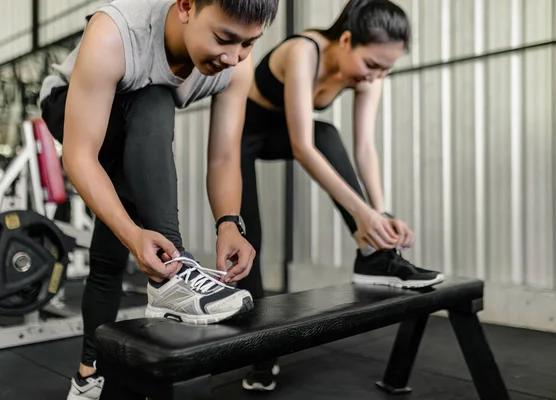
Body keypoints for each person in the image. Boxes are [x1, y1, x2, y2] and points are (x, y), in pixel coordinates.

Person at [38, 0, 279, 399]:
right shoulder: (115, 31)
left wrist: (229, 224)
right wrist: (135, 234)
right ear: (186, 6)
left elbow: (223, 156)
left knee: (108, 255)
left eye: (249, 44)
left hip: (135, 122)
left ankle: (87, 375)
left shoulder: (237, 65)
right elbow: (79, 157)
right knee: (154, 98)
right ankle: (174, 273)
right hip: (70, 105)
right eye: (224, 38)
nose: (233, 56)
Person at [236, 0, 444, 391]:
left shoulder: (370, 75)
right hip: (241, 137)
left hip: (284, 133)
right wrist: (363, 212)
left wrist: (378, 215)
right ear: (346, 40)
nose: (375, 77)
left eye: (386, 69)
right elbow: (302, 147)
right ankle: (258, 355)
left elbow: (364, 147)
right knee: (251, 241)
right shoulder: (303, 51)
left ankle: (374, 256)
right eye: (372, 65)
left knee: (328, 134)